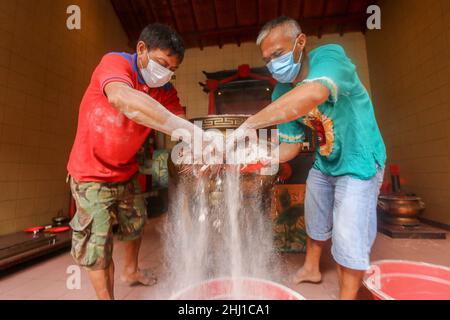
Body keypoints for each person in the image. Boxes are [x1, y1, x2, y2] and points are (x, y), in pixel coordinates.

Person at [235, 17, 386, 299]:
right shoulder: (281, 91)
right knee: (315, 217)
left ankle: (347, 295)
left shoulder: (329, 57)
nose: (272, 64)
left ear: (300, 42)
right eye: (267, 60)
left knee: (349, 233)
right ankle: (311, 269)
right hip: (326, 161)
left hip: (360, 161)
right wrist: (256, 159)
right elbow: (289, 149)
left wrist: (249, 124)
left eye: (277, 54)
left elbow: (313, 93)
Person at [67, 23, 202, 300]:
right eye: (163, 64)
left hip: (126, 171)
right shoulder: (116, 64)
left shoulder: (164, 90)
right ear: (141, 49)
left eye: (172, 70)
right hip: (90, 173)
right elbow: (122, 98)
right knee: (97, 245)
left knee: (134, 224)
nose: (165, 74)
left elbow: (179, 126)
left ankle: (131, 271)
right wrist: (187, 130)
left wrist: (198, 147)